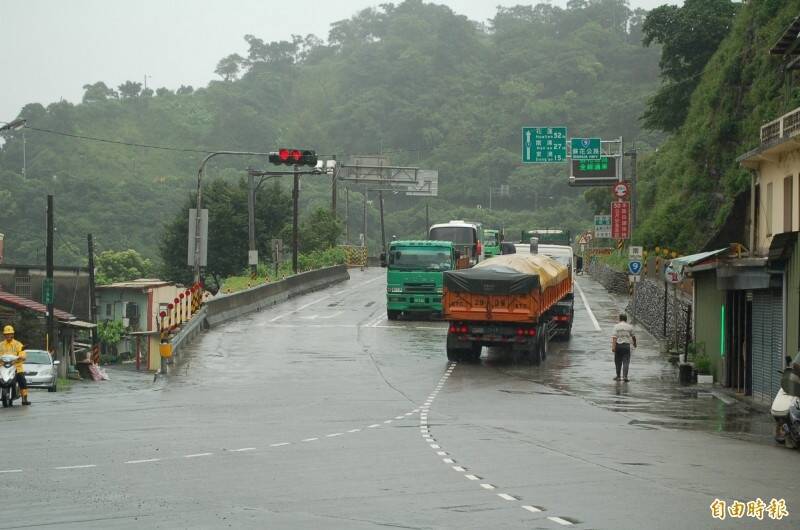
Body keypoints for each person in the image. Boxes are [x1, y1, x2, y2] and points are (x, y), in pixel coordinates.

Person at [0, 325, 30, 405]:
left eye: (10, 334)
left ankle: (24, 398)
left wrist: (21, 356)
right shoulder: (1, 345)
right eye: (6, 334)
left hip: (16, 366)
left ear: (13, 334)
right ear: (4, 335)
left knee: (22, 380)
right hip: (3, 366)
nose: (8, 335)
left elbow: (22, 352)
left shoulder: (18, 344)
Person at [611, 314, 637, 382]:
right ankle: (625, 376)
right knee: (626, 362)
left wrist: (613, 347)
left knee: (618, 362)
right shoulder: (629, 327)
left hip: (618, 346)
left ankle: (618, 376)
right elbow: (633, 337)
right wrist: (634, 344)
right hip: (626, 346)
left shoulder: (616, 326)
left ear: (620, 319)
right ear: (626, 319)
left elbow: (614, 337)